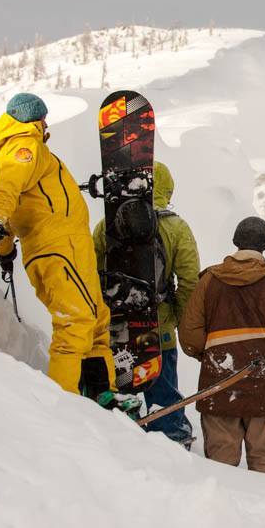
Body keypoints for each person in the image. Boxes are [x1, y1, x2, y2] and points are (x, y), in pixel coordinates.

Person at [0, 93, 136, 410]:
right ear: (33, 118)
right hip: (57, 249)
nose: (47, 123)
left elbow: (19, 204)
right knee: (74, 322)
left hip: (71, 249)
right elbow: (7, 186)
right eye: (43, 118)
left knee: (95, 319)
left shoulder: (37, 151)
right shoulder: (23, 146)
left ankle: (103, 394)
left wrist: (4, 250)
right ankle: (66, 406)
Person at [178, 216, 265, 474]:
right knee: (264, 465)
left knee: (221, 467)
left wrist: (211, 357)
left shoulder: (208, 282)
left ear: (236, 241)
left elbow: (190, 336)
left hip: (219, 386)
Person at [93, 161, 199, 447]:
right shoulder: (177, 227)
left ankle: (118, 442)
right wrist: (175, 318)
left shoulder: (108, 223)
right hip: (158, 325)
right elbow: (189, 281)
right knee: (162, 392)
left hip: (115, 325)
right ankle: (173, 442)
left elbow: (91, 269)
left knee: (121, 385)